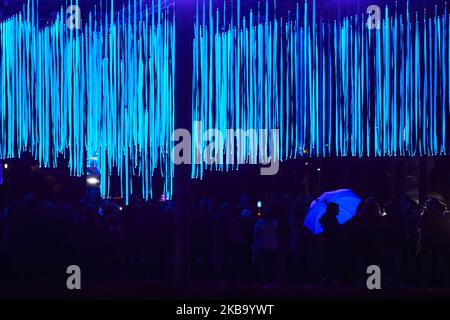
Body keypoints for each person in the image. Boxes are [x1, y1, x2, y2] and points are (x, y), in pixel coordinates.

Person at [415, 198, 447, 285]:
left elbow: (420, 225)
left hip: (427, 239)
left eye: (428, 202)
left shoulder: (427, 213)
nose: (426, 203)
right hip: (436, 240)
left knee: (419, 258)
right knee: (434, 260)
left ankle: (418, 277)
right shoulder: (440, 214)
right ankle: (434, 278)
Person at [319, 202, 342, 283]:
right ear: (333, 210)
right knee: (331, 259)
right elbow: (334, 231)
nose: (339, 210)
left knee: (330, 259)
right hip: (331, 242)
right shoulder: (331, 219)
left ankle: (330, 277)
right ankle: (331, 277)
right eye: (337, 208)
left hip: (329, 242)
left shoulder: (328, 218)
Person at [254, 208, 278, 284]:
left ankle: (263, 281)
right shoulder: (275, 222)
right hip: (272, 245)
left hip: (262, 245)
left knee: (263, 264)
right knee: (271, 264)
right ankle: (271, 280)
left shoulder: (259, 222)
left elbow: (255, 234)